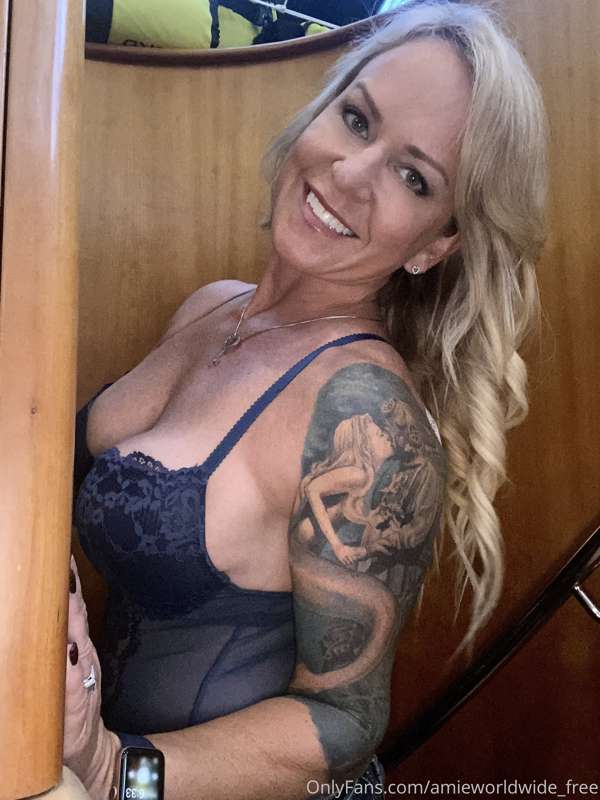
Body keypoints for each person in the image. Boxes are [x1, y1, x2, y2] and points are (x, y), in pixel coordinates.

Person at [64, 1, 548, 798]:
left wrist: (117, 772)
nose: (350, 175)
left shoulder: (367, 418)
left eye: (413, 177)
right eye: (357, 119)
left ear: (436, 243)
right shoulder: (211, 308)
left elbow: (343, 724)